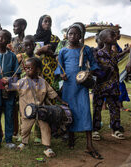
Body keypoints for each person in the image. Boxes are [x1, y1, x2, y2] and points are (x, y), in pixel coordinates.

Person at [6, 57, 68, 157]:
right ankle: (24, 142)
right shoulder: (22, 81)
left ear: (38, 70)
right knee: (25, 128)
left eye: (30, 68)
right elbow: (13, 86)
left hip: (41, 110)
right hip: (27, 111)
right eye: (25, 68)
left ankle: (48, 147)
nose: (27, 70)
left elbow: (52, 92)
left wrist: (61, 101)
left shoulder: (43, 82)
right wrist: (7, 84)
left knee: (45, 127)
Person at [57, 23, 102, 159]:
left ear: (81, 36)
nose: (73, 36)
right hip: (68, 86)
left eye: (76, 34)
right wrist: (61, 75)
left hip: (81, 86)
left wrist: (90, 73)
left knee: (85, 111)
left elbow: (93, 64)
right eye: (70, 33)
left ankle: (89, 145)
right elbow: (59, 67)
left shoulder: (86, 49)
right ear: (67, 35)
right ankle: (71, 138)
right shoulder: (63, 51)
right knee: (69, 112)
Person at [92, 29, 128, 141]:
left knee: (115, 108)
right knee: (97, 108)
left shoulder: (114, 54)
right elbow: (93, 69)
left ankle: (115, 129)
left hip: (113, 87)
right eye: (111, 35)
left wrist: (127, 52)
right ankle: (95, 130)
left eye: (114, 35)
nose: (114, 37)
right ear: (103, 39)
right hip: (100, 86)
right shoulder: (97, 53)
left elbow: (120, 56)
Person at [33, 14, 60, 144]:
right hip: (38, 75)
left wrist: (45, 50)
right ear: (40, 23)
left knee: (52, 101)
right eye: (45, 21)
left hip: (52, 74)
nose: (47, 24)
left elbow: (57, 52)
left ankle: (54, 129)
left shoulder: (55, 38)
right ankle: (40, 131)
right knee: (39, 101)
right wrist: (40, 50)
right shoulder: (34, 38)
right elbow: (31, 54)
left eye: (49, 22)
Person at [11, 18, 27, 139]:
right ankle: (16, 131)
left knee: (25, 104)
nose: (14, 29)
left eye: (15, 26)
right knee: (15, 105)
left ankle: (25, 131)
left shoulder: (29, 40)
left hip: (26, 75)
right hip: (15, 75)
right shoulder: (12, 41)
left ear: (22, 27)